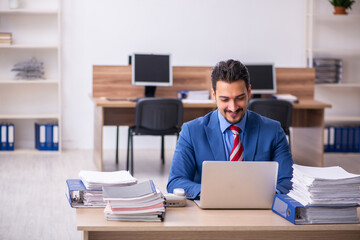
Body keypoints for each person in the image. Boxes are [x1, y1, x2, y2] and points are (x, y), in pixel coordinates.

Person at [167, 59, 293, 199]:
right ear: (214, 95)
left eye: (239, 98)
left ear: (249, 92)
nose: (233, 108)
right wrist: (215, 193)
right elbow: (176, 182)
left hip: (259, 211)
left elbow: (288, 181)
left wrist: (263, 195)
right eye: (225, 100)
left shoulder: (273, 131)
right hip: (210, 211)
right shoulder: (191, 131)